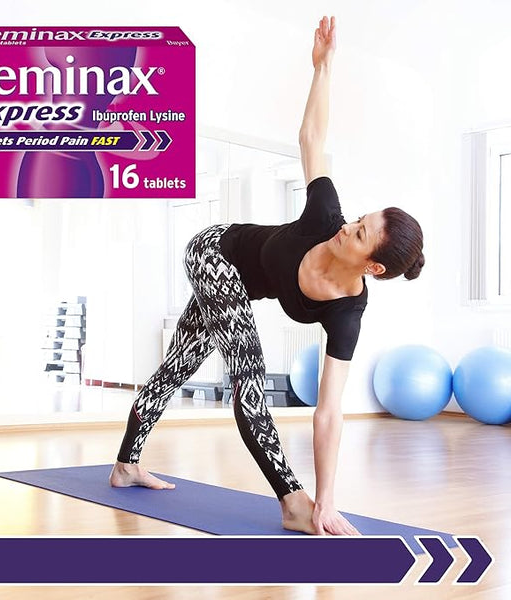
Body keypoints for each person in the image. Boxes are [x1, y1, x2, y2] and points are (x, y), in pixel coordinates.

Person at [110, 15, 425, 536]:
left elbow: (329, 411)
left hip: (233, 284)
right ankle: (288, 499)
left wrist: (328, 500)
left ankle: (126, 464)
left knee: (178, 364)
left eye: (362, 233)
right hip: (213, 249)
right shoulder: (325, 215)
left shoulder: (347, 312)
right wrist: (322, 70)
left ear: (372, 266)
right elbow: (311, 137)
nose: (349, 226)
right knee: (249, 374)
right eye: (359, 219)